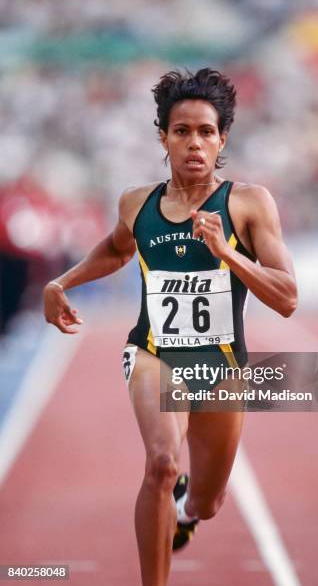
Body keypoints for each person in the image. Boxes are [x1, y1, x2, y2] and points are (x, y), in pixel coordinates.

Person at [43, 67, 297, 586]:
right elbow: (115, 249)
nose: (195, 143)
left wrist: (228, 254)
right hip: (154, 355)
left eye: (206, 131)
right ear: (163, 137)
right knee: (160, 463)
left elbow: (288, 297)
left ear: (222, 137)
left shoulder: (249, 204)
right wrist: (60, 283)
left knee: (209, 498)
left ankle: (187, 513)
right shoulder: (137, 204)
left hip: (223, 368)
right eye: (182, 131)